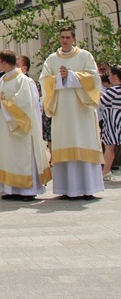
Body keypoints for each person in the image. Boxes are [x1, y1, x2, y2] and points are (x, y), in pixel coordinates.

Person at [40, 25, 104, 199]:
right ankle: (66, 189)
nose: (65, 40)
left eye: (68, 37)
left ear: (74, 39)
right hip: (62, 111)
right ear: (59, 39)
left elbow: (94, 78)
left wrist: (72, 76)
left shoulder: (85, 56)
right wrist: (59, 78)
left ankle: (88, 188)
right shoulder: (52, 59)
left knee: (84, 143)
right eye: (62, 37)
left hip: (81, 109)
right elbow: (44, 80)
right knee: (64, 144)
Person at [0, 51, 52, 201]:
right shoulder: (4, 79)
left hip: (21, 126)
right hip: (7, 125)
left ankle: (28, 190)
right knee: (10, 156)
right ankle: (12, 189)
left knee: (23, 156)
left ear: (5, 63)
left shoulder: (22, 80)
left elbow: (25, 103)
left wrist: (3, 105)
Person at [99, 65, 121, 180]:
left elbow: (102, 101)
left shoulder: (114, 90)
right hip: (116, 120)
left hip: (113, 122)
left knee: (109, 148)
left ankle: (106, 171)